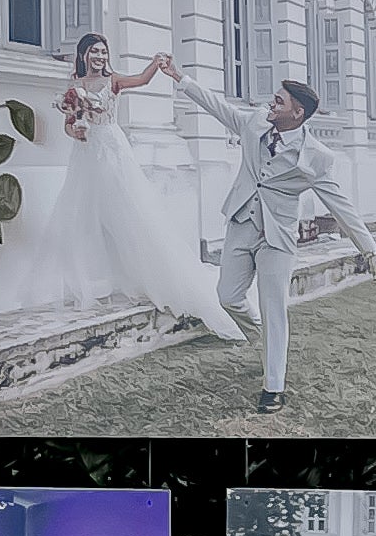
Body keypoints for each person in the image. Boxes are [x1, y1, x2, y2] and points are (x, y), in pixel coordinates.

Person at [132, 52, 376, 415]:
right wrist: (180, 77)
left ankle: (273, 387)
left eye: (279, 100)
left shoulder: (317, 156)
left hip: (278, 238)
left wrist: (370, 249)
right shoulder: (254, 124)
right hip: (241, 224)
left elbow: (340, 205)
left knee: (273, 308)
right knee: (226, 295)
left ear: (297, 113)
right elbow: (218, 107)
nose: (271, 102)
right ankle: (259, 337)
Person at [15, 34, 243, 340]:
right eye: (94, 51)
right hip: (85, 155)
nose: (99, 56)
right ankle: (93, 284)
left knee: (128, 212)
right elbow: (69, 125)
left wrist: (156, 63)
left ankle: (156, 276)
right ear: (83, 55)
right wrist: (76, 131)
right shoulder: (74, 87)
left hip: (111, 149)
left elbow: (143, 80)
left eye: (103, 51)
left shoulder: (114, 82)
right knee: (82, 219)